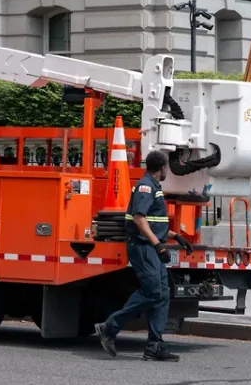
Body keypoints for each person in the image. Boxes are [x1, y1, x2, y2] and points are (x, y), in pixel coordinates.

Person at [95, 149, 193, 362]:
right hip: (143, 247)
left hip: (150, 246)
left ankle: (154, 346)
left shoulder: (153, 186)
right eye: (167, 167)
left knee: (162, 293)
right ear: (162, 168)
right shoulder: (146, 186)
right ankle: (109, 327)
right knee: (152, 292)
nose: (167, 170)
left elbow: (153, 222)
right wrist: (158, 245)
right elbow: (139, 219)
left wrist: (175, 236)